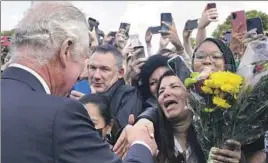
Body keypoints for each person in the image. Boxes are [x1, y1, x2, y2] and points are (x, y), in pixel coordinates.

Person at [1, 2, 157, 163]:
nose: (88, 74)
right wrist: (141, 144)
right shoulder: (61, 114)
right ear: (66, 51)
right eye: (84, 60)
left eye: (104, 69)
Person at [88, 44, 143, 129]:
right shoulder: (83, 94)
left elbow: (119, 132)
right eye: (93, 68)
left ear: (120, 73)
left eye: (104, 69)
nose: (96, 76)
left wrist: (94, 104)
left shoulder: (128, 95)